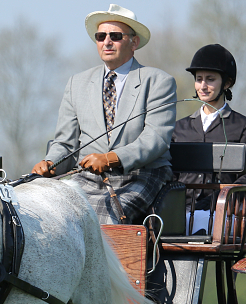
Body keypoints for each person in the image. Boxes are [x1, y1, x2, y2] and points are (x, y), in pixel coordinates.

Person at [32, 4, 177, 225]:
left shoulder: (158, 81)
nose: (106, 42)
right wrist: (50, 162)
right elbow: (66, 143)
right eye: (101, 36)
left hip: (141, 175)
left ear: (134, 42)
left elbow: (156, 139)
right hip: (88, 179)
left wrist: (112, 158)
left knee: (104, 219)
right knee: (47, 217)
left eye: (115, 36)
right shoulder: (77, 83)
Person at [172, 44, 246, 234]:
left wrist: (224, 198)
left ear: (226, 83)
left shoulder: (243, 126)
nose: (202, 86)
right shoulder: (179, 128)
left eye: (210, 79)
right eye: (199, 79)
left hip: (222, 213)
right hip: (179, 212)